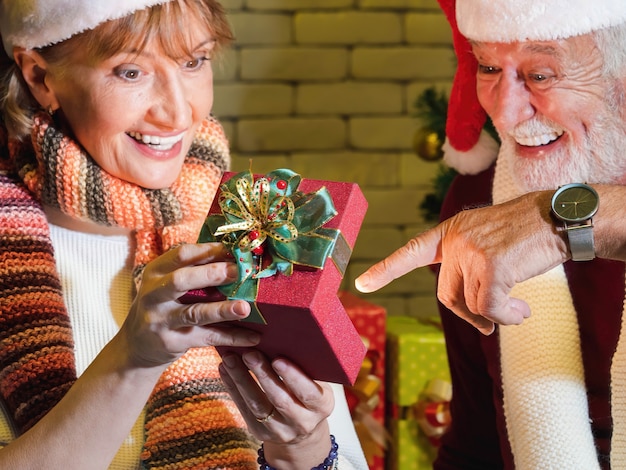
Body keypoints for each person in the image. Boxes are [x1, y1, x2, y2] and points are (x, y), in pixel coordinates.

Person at [0, 1, 368, 469]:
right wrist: (133, 358)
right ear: (39, 76)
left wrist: (303, 451)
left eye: (194, 62)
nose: (177, 112)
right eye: (129, 71)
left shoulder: (255, 232)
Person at [356, 0, 626, 468]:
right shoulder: (477, 202)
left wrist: (562, 221)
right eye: (487, 67)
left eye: (540, 75)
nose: (505, 112)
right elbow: (477, 439)